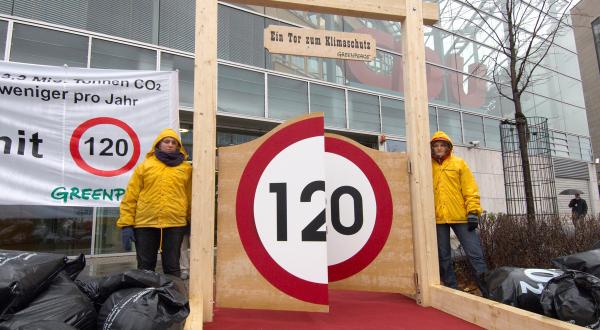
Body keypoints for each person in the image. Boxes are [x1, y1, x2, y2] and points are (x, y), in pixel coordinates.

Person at [117, 128, 192, 277]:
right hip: (145, 223)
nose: (170, 145)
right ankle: (144, 298)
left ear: (178, 147)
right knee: (145, 267)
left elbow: (190, 196)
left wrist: (191, 221)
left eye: (174, 142)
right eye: (166, 141)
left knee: (172, 266)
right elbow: (131, 196)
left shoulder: (186, 169)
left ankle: (173, 298)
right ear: (158, 145)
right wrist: (126, 224)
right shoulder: (145, 166)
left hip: (175, 223)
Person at [430, 131, 488, 291]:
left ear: (448, 147)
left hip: (462, 217)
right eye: (436, 145)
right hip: (438, 218)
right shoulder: (427, 166)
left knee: (475, 254)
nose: (439, 148)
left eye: (442, 145)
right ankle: (452, 290)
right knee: (443, 257)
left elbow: (470, 189)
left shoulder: (459, 163)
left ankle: (488, 291)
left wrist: (473, 212)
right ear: (432, 148)